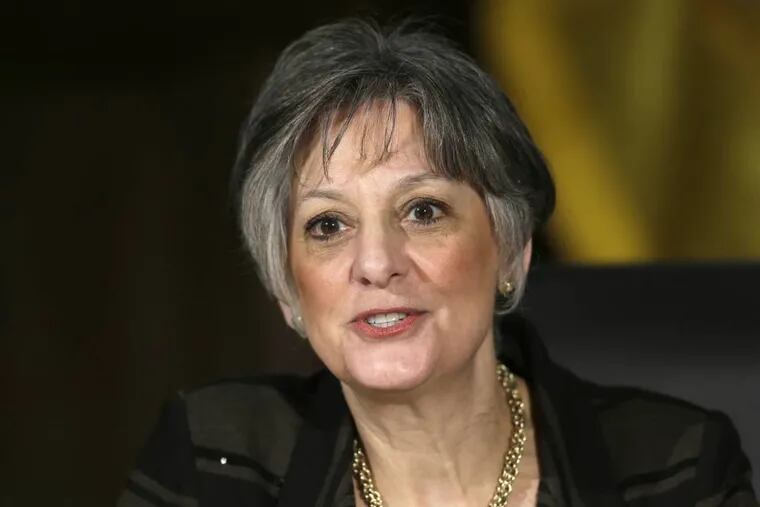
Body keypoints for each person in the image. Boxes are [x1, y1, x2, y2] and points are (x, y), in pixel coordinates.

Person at [118, 19, 757, 507]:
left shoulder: (678, 470)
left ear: (511, 249)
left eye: (423, 211)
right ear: (285, 288)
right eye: (328, 225)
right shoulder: (211, 463)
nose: (376, 263)